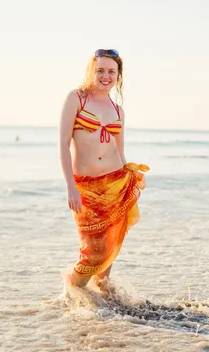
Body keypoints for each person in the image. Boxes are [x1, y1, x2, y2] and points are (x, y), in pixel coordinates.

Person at [59, 48, 149, 289]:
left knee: (110, 247)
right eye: (100, 70)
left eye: (111, 71)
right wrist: (71, 187)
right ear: (92, 71)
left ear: (118, 75)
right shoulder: (76, 98)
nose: (105, 76)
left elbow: (120, 151)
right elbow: (63, 145)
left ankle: (105, 304)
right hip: (85, 186)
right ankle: (72, 295)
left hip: (116, 183)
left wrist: (128, 179)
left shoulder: (118, 110)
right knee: (92, 253)